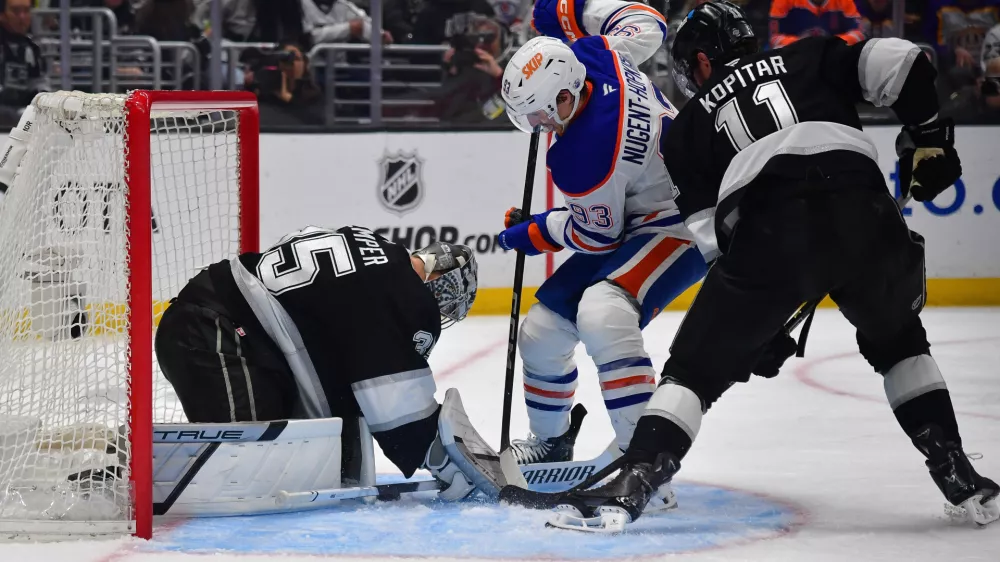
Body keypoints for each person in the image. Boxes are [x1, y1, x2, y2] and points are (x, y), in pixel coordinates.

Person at [543, 0, 999, 531]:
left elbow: (717, 245)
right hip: (868, 214)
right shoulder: (810, 55)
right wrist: (929, 137)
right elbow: (905, 62)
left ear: (704, 61)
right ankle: (957, 472)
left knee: (692, 372)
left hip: (769, 231)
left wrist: (759, 328)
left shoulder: (686, 130)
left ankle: (635, 479)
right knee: (901, 344)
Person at [497, 0, 707, 484]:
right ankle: (551, 442)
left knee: (603, 313)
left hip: (683, 223)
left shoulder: (583, 155)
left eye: (541, 114)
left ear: (566, 95)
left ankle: (645, 461)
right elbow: (648, 23)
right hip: (642, 214)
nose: (540, 126)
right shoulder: (597, 54)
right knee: (542, 333)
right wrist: (572, 12)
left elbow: (596, 236)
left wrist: (534, 232)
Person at [155, 226, 502, 500]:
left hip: (218, 329)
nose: (439, 309)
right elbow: (393, 403)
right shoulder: (405, 296)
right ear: (440, 279)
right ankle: (139, 468)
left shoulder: (369, 246)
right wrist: (438, 456)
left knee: (294, 458)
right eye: (446, 299)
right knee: (249, 473)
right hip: (217, 335)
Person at [0, 0, 48, 126]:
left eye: (26, 11)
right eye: (16, 11)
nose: (22, 17)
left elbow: (39, 83)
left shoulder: (31, 48)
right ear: (2, 14)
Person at [769, 0, 866, 48]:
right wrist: (801, 44)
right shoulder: (783, 1)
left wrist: (832, 43)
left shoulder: (844, 1)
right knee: (778, 49)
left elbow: (859, 34)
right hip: (796, 54)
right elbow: (774, 37)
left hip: (833, 55)